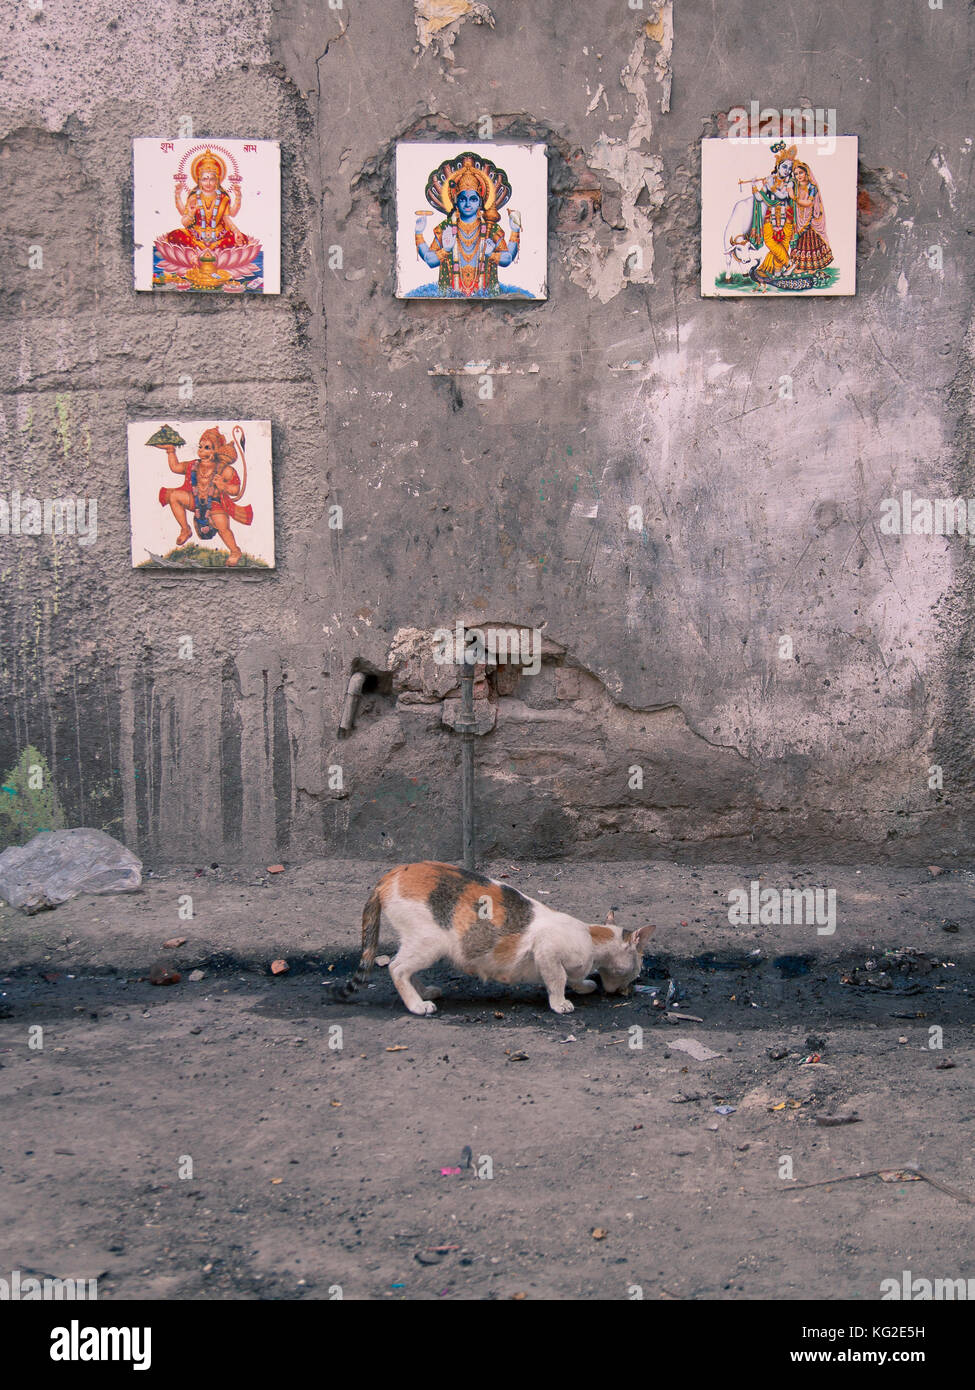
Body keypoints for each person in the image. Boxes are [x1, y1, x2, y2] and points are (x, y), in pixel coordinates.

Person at [415, 153, 520, 296]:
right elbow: (430, 260)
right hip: (449, 296)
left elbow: (507, 258)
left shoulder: (490, 228)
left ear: (480, 202)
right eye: (463, 199)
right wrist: (422, 235)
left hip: (487, 296)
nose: (468, 203)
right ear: (456, 201)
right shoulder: (446, 227)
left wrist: (512, 234)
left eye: (473, 199)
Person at [155, 427, 253, 566]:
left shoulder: (224, 469)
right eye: (200, 446)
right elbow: (175, 467)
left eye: (207, 447)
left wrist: (223, 486)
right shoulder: (193, 465)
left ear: (216, 450)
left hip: (215, 503)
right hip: (195, 501)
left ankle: (235, 551)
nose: (201, 450)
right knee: (175, 496)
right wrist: (170, 450)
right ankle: (185, 529)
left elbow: (236, 489)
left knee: (222, 527)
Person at [789, 160, 833, 272]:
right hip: (799, 219)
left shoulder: (811, 187)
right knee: (801, 242)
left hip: (811, 220)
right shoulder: (795, 186)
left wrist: (794, 197)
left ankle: (813, 266)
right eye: (796, 174)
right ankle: (801, 266)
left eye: (801, 173)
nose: (798, 176)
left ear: (806, 173)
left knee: (811, 241)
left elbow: (809, 203)